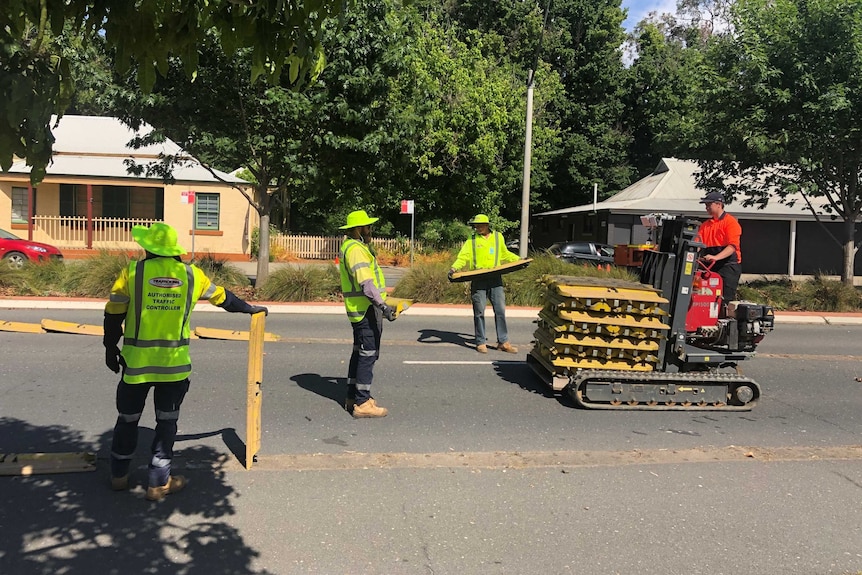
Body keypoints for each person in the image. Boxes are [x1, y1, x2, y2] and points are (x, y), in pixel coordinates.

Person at [104, 223, 267, 500]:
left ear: (148, 248)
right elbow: (224, 298)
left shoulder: (132, 273)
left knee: (128, 420)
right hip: (174, 368)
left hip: (136, 367)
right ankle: (158, 483)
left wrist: (110, 348)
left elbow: (113, 316)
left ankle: (119, 476)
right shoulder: (193, 276)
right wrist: (250, 309)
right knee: (166, 424)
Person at [339, 210, 397, 418]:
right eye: (367, 226)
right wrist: (383, 306)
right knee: (368, 353)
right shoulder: (356, 250)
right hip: (365, 309)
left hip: (359, 309)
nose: (370, 228)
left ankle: (353, 396)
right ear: (358, 228)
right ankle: (362, 402)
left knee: (359, 352)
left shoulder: (353, 246)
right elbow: (366, 284)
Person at [449, 214, 520, 354]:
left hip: (495, 278)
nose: (478, 227)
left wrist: (520, 260)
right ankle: (480, 342)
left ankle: (503, 342)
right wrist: (454, 268)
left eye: (480, 225)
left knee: (500, 310)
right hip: (478, 278)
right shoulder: (472, 239)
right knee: (479, 311)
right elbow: (463, 257)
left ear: (487, 225)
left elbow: (505, 254)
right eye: (476, 225)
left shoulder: (498, 237)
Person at [696, 190, 743, 302]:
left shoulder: (730, 222)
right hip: (710, 265)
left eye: (709, 204)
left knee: (724, 299)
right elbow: (698, 243)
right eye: (705, 205)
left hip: (728, 266)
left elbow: (732, 247)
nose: (706, 207)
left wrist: (716, 257)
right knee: (704, 296)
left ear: (719, 204)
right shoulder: (705, 225)